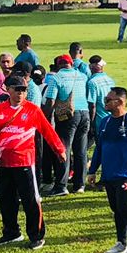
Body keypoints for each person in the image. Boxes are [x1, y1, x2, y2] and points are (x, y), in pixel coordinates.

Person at [0, 73, 66, 249]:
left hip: (25, 163)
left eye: (23, 90)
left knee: (31, 200)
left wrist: (59, 149)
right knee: (6, 200)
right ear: (8, 90)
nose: (21, 94)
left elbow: (48, 131)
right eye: (17, 90)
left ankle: (37, 236)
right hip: (3, 163)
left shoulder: (32, 110)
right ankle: (11, 232)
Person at [85, 86, 127, 253]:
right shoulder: (105, 122)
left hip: (126, 174)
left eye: (107, 100)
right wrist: (92, 170)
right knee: (116, 208)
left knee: (125, 207)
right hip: (109, 174)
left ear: (120, 102)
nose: (104, 103)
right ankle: (121, 242)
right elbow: (100, 147)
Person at [42, 54, 90, 195]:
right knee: (81, 150)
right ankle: (79, 184)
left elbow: (50, 101)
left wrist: (44, 118)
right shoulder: (82, 76)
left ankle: (61, 186)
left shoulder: (56, 77)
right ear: (71, 63)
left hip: (68, 116)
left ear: (58, 65)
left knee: (63, 149)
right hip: (84, 113)